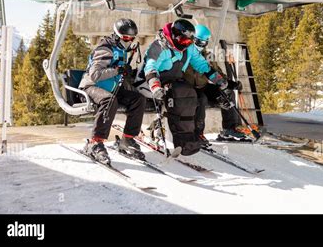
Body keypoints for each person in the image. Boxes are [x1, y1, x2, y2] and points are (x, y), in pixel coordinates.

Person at [142, 19, 228, 156]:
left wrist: (217, 79)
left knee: (191, 94)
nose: (186, 45)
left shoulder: (189, 48)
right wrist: (155, 86)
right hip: (150, 82)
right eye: (184, 42)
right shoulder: (159, 46)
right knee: (180, 96)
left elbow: (201, 64)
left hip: (173, 81)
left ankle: (190, 138)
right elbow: (150, 67)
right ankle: (181, 140)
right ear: (175, 36)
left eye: (189, 42)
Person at [79, 18, 146, 164]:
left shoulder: (121, 49)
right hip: (92, 87)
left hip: (112, 88)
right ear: (117, 35)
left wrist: (127, 72)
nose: (129, 41)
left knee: (138, 99)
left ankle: (127, 139)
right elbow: (95, 75)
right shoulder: (105, 49)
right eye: (126, 38)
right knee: (109, 100)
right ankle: (95, 142)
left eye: (131, 38)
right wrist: (118, 70)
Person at [184, 24, 247, 144]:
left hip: (203, 86)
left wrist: (230, 84)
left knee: (226, 93)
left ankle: (229, 128)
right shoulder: (184, 53)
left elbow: (217, 72)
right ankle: (198, 133)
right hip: (188, 87)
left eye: (203, 42)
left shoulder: (207, 56)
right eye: (198, 41)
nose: (201, 45)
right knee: (200, 100)